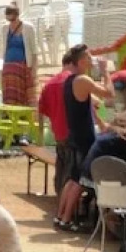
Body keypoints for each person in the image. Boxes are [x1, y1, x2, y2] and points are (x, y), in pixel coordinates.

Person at [52, 46, 115, 231]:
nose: (91, 59)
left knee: (72, 179)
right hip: (84, 138)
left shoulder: (70, 80)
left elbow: (93, 101)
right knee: (80, 181)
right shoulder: (82, 79)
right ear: (80, 61)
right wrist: (105, 71)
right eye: (88, 57)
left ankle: (61, 216)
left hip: (74, 135)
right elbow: (109, 94)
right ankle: (67, 219)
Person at [37, 51, 77, 192]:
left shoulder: (49, 84)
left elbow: (40, 110)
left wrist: (40, 138)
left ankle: (59, 196)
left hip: (58, 132)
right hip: (73, 132)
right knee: (71, 171)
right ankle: (65, 201)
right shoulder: (74, 81)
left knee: (61, 165)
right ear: (73, 63)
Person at [0, 3, 37, 106]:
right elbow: (4, 47)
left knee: (23, 92)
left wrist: (33, 68)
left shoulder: (28, 28)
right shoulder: (4, 28)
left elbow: (34, 50)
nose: (10, 20)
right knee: (9, 92)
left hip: (22, 65)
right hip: (8, 65)